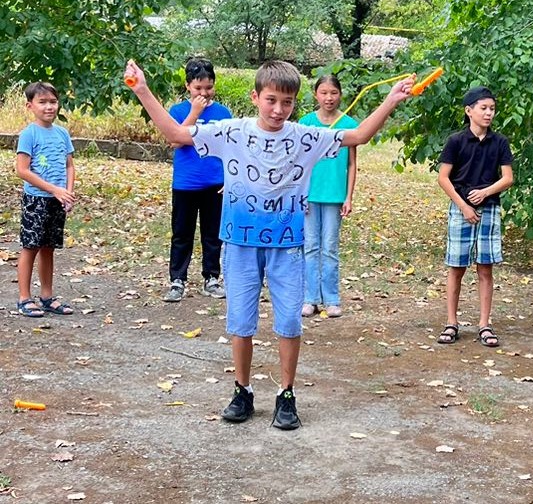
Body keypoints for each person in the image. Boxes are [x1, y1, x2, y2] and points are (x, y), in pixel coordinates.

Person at [125, 59, 413, 430]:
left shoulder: (306, 137)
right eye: (271, 100)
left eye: (287, 102)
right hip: (240, 244)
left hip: (287, 246)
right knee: (240, 321)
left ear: (295, 103)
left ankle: (286, 394)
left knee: (290, 321)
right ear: (255, 96)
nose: (278, 110)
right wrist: (142, 89)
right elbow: (177, 134)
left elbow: (357, 136)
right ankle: (242, 390)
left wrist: (391, 100)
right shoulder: (231, 132)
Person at [436, 86, 513, 348]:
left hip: (489, 209)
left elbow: (507, 178)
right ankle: (451, 322)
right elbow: (443, 178)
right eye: (484, 108)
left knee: (485, 267)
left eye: (492, 109)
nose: (489, 113)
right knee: (456, 267)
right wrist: (464, 206)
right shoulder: (456, 141)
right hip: (461, 210)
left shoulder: (499, 142)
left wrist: (486, 192)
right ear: (469, 111)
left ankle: (484, 324)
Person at [164, 58, 233, 303]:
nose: (203, 93)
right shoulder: (177, 111)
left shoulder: (223, 114)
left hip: (216, 183)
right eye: (198, 88)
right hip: (186, 183)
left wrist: (230, 178)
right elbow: (175, 141)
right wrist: (194, 113)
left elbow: (230, 148)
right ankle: (177, 280)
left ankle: (211, 277)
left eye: (208, 87)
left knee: (213, 234)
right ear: (187, 86)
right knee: (182, 234)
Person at [15, 82, 76, 318]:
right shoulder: (28, 134)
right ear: (30, 106)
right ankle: (24, 298)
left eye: (53, 102)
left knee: (48, 248)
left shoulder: (62, 133)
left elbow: (69, 165)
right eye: (42, 102)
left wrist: (67, 193)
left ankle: (47, 297)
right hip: (36, 199)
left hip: (57, 200)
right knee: (30, 247)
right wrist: (54, 190)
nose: (49, 107)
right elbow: (22, 170)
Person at [299, 75, 357, 319]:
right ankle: (310, 298)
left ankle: (331, 299)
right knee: (310, 246)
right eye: (323, 93)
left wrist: (348, 196)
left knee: (330, 248)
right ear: (316, 94)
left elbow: (352, 164)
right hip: (310, 195)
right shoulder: (306, 123)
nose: (329, 98)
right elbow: (299, 162)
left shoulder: (349, 123)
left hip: (335, 195)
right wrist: (300, 194)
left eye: (333, 92)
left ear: (340, 94)